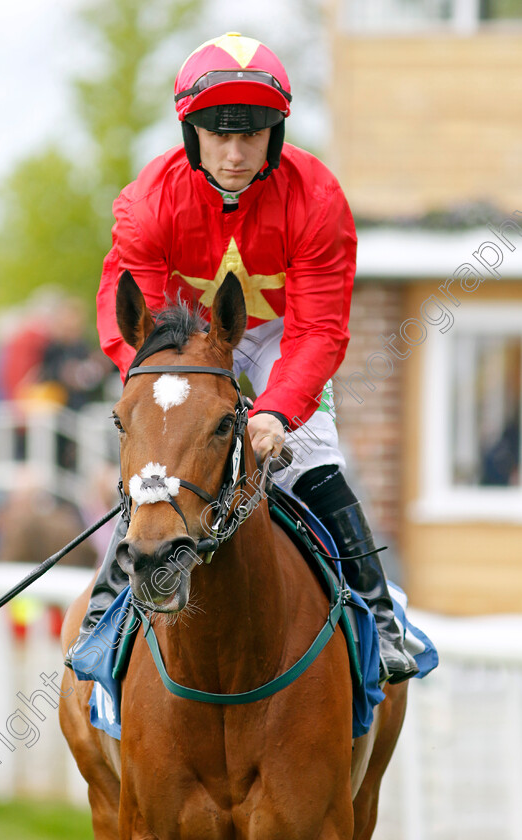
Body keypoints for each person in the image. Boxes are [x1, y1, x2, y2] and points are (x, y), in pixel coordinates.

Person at [75, 33, 417, 683]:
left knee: (312, 454)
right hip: (181, 339)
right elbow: (130, 325)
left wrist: (280, 412)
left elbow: (319, 329)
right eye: (217, 135)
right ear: (191, 132)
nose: (234, 155)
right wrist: (159, 396)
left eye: (252, 135)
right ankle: (105, 611)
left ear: (276, 135)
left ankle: (379, 613)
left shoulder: (316, 198)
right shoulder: (146, 203)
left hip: (280, 335)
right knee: (161, 449)